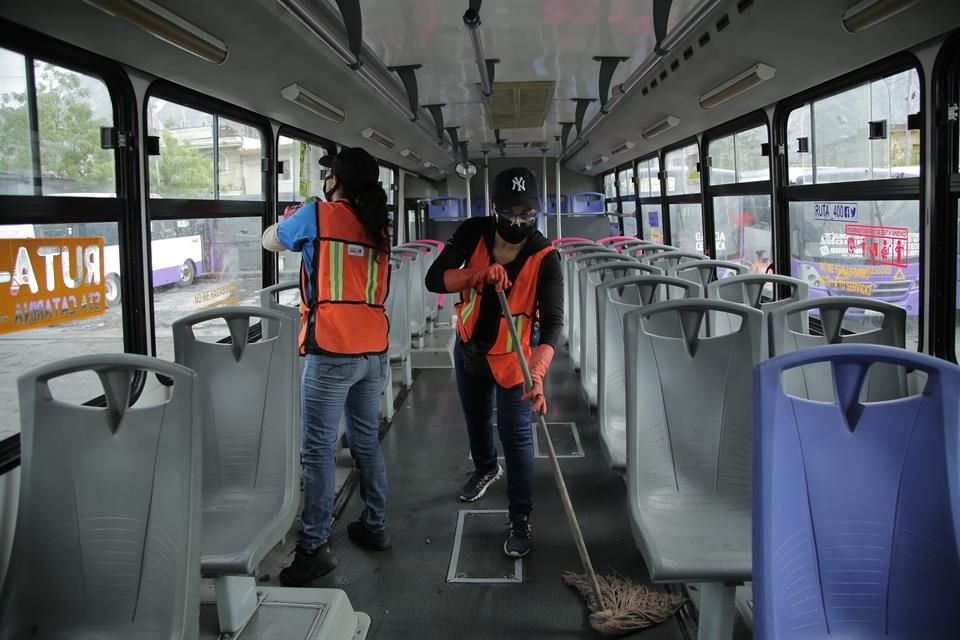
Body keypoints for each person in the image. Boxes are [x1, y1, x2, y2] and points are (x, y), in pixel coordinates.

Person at [261, 147, 392, 586]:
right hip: (372, 351)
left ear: (336, 180)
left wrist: (294, 215)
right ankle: (374, 525)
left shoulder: (318, 214)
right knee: (365, 441)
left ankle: (314, 546)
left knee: (317, 451)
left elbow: (271, 240)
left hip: (331, 349)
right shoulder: (380, 227)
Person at [425, 167, 563, 558]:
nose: (518, 222)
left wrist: (536, 373)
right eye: (509, 214)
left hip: (514, 357)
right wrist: (476, 275)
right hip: (470, 346)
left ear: (537, 212)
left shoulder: (544, 256)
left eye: (527, 215)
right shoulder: (473, 232)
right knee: (476, 418)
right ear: (494, 209)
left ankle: (521, 517)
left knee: (517, 437)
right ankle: (486, 468)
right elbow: (434, 279)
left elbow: (552, 325)